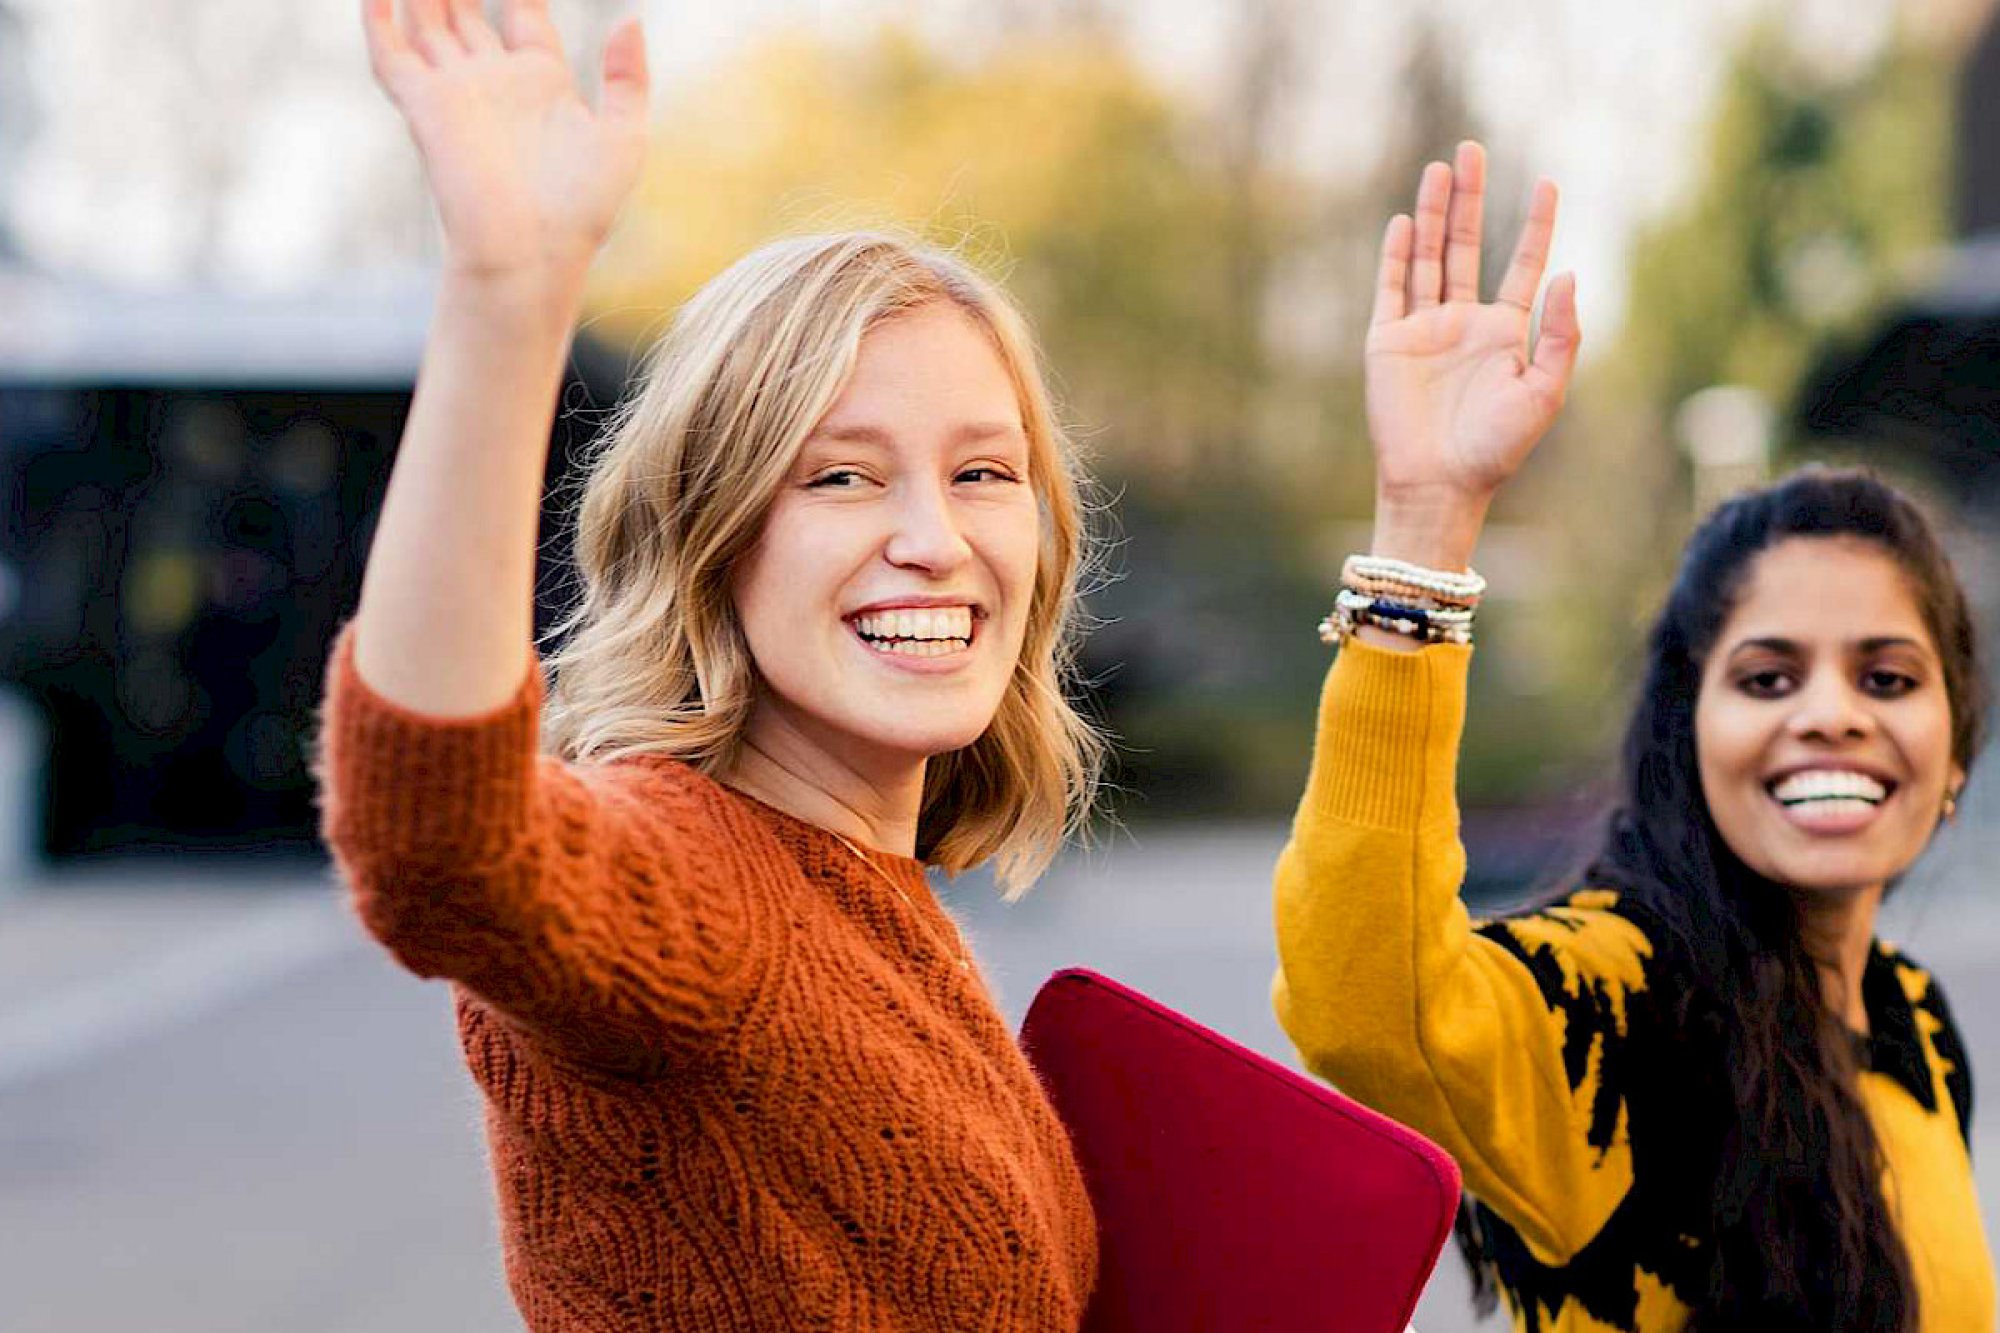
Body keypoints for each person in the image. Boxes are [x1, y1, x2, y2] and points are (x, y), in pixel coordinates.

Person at [314, 1, 1106, 1328]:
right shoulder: (692, 885)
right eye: (843, 476)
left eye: (982, 473)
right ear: (715, 539)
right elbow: (440, 847)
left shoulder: (885, 907)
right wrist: (508, 299)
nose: (934, 539)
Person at [1272, 140, 1996, 1331]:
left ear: (1953, 750)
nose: (1830, 711)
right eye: (1767, 676)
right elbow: (1367, 999)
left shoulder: (1913, 1019)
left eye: (1886, 674)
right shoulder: (1615, 1002)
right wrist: (1425, 520)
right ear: (1685, 732)